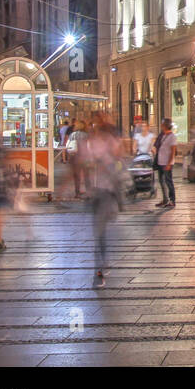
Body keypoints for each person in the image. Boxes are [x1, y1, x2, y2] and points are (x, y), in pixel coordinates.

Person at [86, 113, 124, 288]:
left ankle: (102, 264)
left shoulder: (111, 145)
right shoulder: (94, 145)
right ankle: (100, 266)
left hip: (108, 193)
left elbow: (118, 165)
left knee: (100, 231)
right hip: (99, 193)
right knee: (99, 232)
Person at [154, 119, 176, 209]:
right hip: (160, 162)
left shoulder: (172, 136)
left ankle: (172, 200)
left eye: (162, 124)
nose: (161, 126)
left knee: (168, 181)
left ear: (166, 125)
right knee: (161, 181)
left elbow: (173, 151)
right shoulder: (162, 135)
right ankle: (165, 199)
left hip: (167, 163)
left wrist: (169, 163)